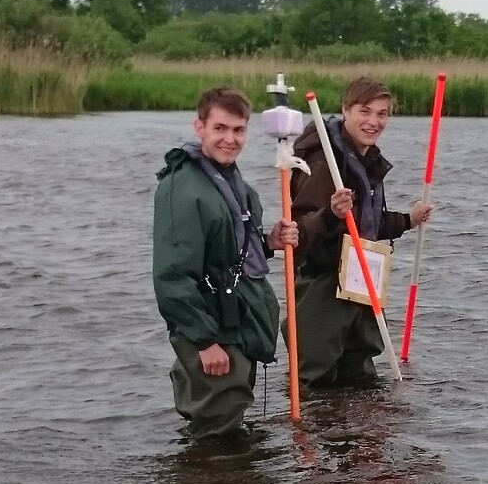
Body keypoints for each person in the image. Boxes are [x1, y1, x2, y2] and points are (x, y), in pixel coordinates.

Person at [153, 86, 299, 440]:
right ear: (199, 126)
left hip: (236, 320)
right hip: (211, 326)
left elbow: (228, 254)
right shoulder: (183, 189)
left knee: (230, 423)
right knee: (217, 433)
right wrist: (204, 342)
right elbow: (173, 275)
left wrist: (269, 243)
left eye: (238, 130)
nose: (229, 139)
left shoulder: (235, 183)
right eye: (220, 128)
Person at [287, 76, 433, 387]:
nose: (374, 122)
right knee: (315, 381)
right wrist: (330, 213)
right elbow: (298, 232)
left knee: (360, 379)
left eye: (382, 114)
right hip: (323, 283)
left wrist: (408, 219)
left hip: (359, 279)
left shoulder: (367, 159)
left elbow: (366, 223)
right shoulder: (323, 162)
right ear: (346, 110)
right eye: (365, 112)